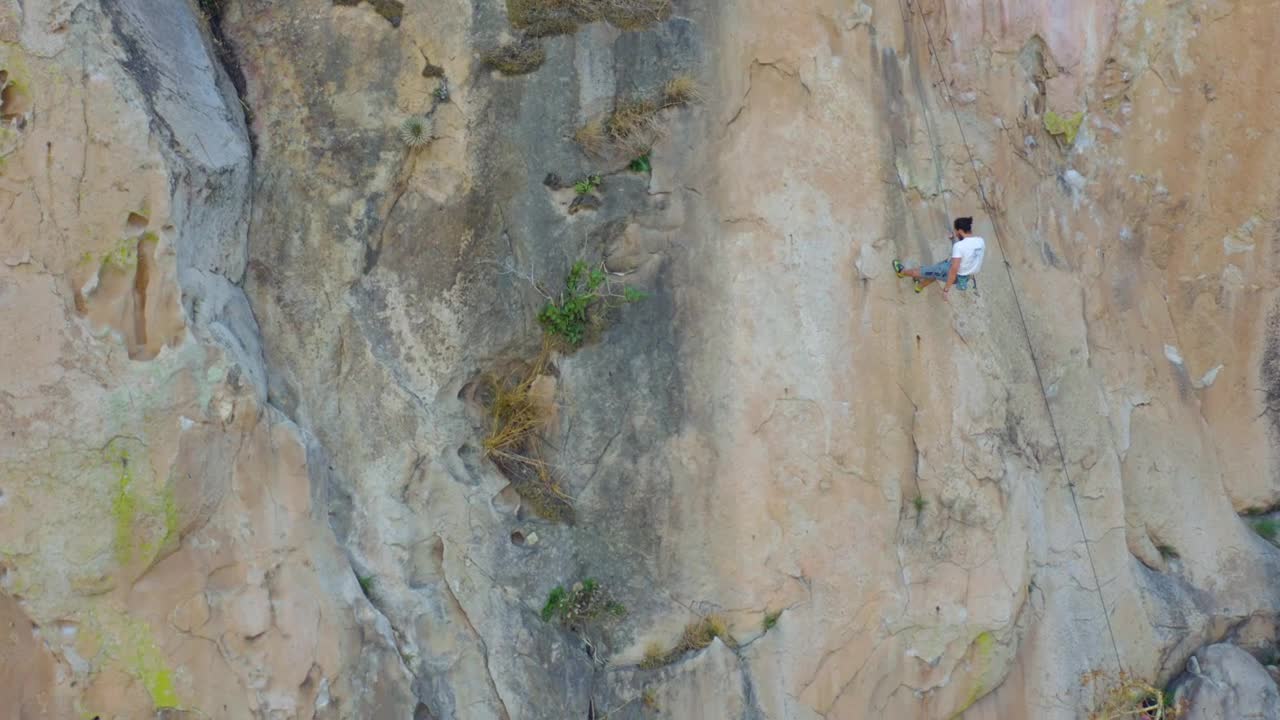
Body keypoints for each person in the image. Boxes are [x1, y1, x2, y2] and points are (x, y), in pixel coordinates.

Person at [893, 217, 986, 301]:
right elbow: (966, 251)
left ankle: (901, 272)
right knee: (936, 273)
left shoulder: (959, 246)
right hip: (966, 277)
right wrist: (953, 239)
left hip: (951, 272)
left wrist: (946, 290)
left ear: (961, 230)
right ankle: (919, 287)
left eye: (957, 232)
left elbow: (954, 270)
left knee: (922, 271)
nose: (956, 234)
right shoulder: (980, 241)